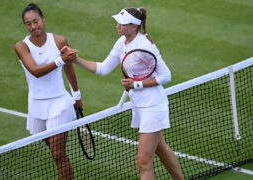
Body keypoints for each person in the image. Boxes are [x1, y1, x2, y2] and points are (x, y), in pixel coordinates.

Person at [66, 7, 184, 180]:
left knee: (143, 161)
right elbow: (103, 68)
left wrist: (136, 84)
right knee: (161, 148)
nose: (118, 26)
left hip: (153, 105)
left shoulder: (145, 46)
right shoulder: (121, 42)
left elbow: (166, 76)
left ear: (134, 26)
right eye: (118, 23)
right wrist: (75, 60)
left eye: (122, 24)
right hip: (139, 105)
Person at [14, 3, 82, 180]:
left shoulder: (59, 41)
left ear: (43, 19)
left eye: (36, 21)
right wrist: (60, 60)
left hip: (59, 103)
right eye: (28, 23)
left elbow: (69, 69)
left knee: (59, 153)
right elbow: (36, 72)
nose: (33, 26)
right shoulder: (21, 46)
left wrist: (76, 95)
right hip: (37, 106)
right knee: (55, 153)